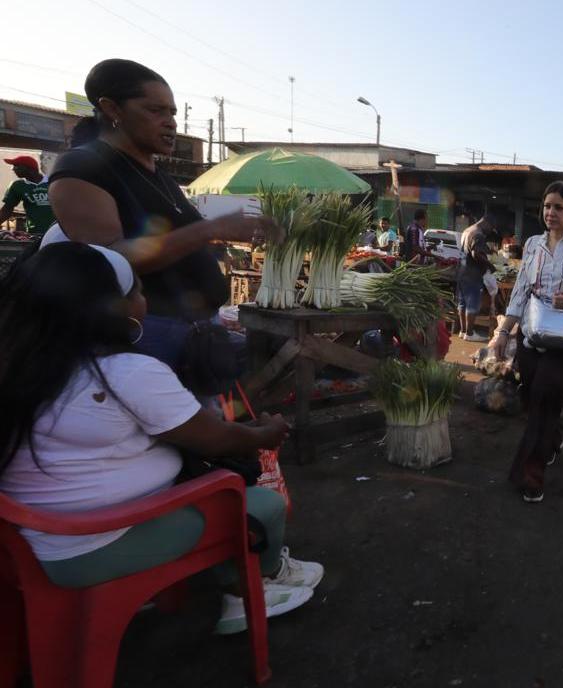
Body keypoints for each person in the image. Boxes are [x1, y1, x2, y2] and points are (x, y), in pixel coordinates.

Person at [0, 243, 323, 635]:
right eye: (135, 292)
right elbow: (217, 440)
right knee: (259, 503)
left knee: (205, 477)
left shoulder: (20, 363)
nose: (143, 299)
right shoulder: (126, 374)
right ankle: (252, 586)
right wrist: (267, 433)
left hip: (23, 544)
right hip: (91, 545)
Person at [48, 59, 270, 376]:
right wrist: (211, 228)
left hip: (194, 332)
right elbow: (108, 256)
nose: (171, 123)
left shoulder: (158, 174)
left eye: (173, 113)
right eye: (156, 111)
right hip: (146, 337)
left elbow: (180, 240)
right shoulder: (83, 168)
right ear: (112, 109)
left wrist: (229, 230)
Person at [489, 181, 563, 503]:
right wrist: (503, 333)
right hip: (532, 332)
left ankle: (530, 474)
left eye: (559, 207)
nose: (550, 213)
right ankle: (552, 440)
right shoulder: (533, 245)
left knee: (544, 397)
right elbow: (521, 291)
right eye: (547, 206)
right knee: (531, 396)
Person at [456, 212, 500, 342]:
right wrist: (490, 266)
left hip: (462, 271)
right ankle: (469, 333)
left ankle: (463, 331)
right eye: (491, 228)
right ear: (486, 223)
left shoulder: (468, 230)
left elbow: (471, 249)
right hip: (473, 273)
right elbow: (476, 254)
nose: (490, 231)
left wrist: (488, 251)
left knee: (462, 303)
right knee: (472, 304)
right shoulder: (479, 234)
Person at [1, 155, 55, 241]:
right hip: (34, 234)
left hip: (56, 232)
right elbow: (7, 210)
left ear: (28, 168)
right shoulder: (18, 186)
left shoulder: (53, 182)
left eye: (16, 166)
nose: (13, 169)